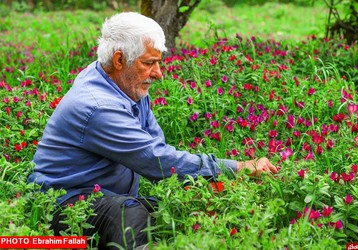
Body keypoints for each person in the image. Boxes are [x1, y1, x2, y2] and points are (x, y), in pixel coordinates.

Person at [28, 12, 278, 249]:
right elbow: (155, 159)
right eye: (149, 63)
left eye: (158, 62)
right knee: (129, 212)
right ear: (118, 60)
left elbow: (157, 145)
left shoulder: (124, 83)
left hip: (107, 197)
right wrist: (235, 167)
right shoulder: (98, 106)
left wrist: (201, 182)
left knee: (195, 197)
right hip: (63, 206)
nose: (158, 73)